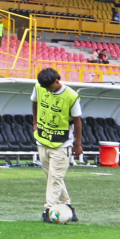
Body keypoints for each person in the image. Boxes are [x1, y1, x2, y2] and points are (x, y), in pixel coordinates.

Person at [32, 67, 82, 223]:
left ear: (57, 81)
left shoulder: (71, 96)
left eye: (50, 87)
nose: (47, 90)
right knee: (52, 177)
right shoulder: (39, 86)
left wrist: (77, 144)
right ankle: (68, 206)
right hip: (43, 140)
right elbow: (34, 102)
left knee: (55, 178)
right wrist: (34, 122)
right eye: (45, 87)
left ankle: (49, 210)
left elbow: (77, 120)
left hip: (62, 143)